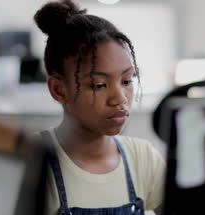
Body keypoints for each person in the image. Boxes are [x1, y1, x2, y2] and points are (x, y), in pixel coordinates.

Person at [33, 1, 165, 214]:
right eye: (99, 85)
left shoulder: (143, 158)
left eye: (127, 81)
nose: (120, 99)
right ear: (59, 90)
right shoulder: (33, 162)